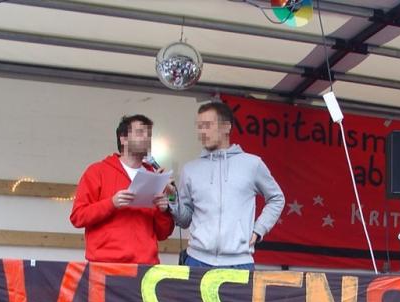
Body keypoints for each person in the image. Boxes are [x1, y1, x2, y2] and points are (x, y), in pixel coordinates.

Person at [173, 101, 284, 269]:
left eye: (208, 125)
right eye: (200, 126)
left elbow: (277, 198)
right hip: (197, 260)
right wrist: (171, 197)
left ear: (227, 127)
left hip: (239, 262)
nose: (202, 131)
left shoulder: (252, 164)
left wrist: (259, 230)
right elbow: (184, 220)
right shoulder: (190, 170)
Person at [70, 114, 174, 264]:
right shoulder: (97, 171)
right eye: (140, 133)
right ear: (123, 139)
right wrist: (111, 203)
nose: (146, 138)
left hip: (145, 266)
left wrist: (163, 211)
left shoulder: (154, 176)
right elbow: (78, 217)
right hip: (105, 264)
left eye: (148, 134)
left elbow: (163, 233)